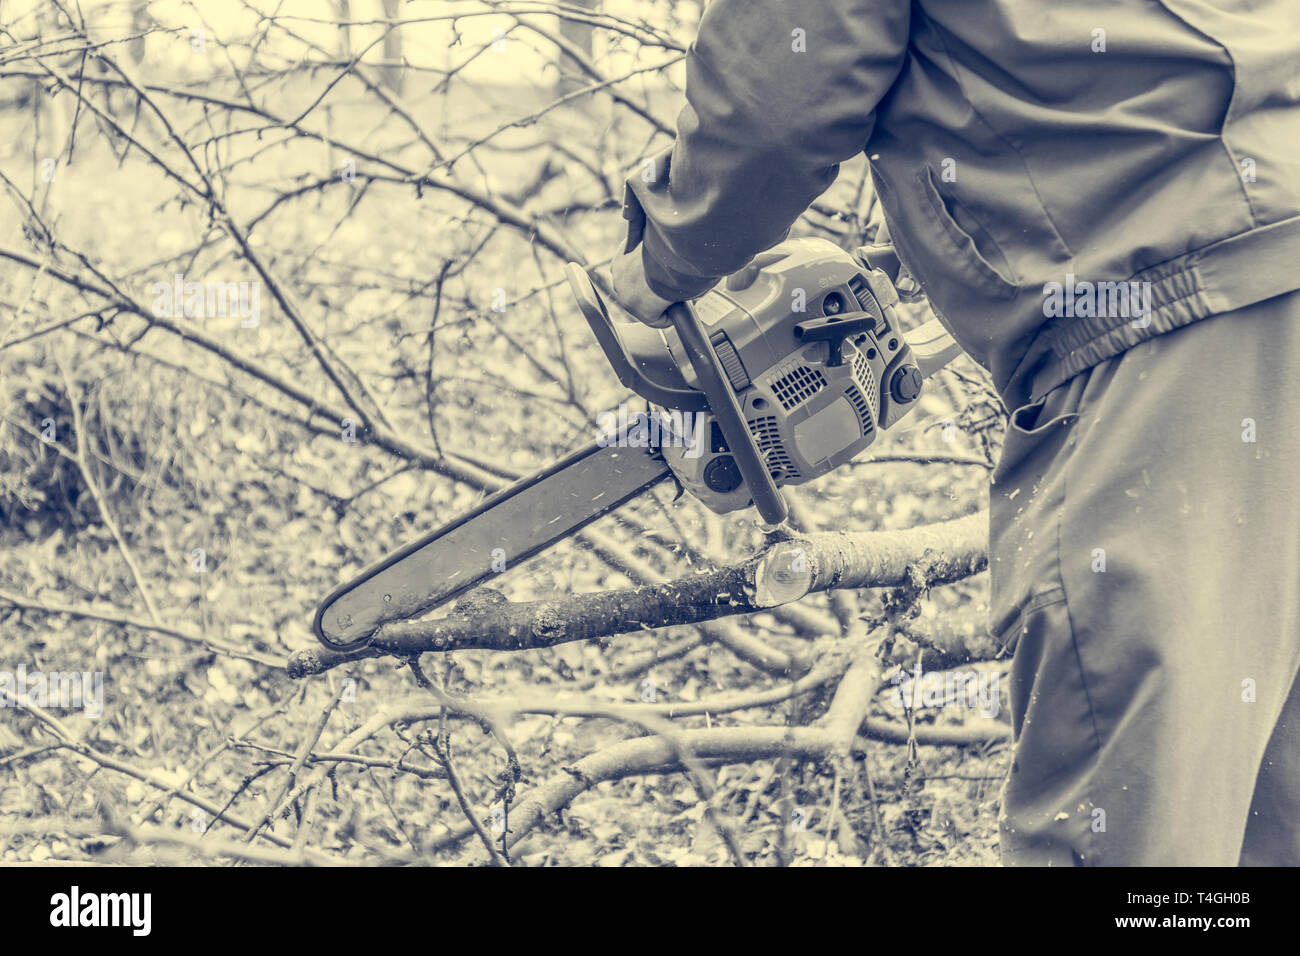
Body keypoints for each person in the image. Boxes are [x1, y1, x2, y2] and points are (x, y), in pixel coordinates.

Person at [608, 0, 1300, 866]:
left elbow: (777, 98)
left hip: (1170, 313)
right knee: (1263, 806)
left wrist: (663, 257)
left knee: (1128, 813)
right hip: (1261, 248)